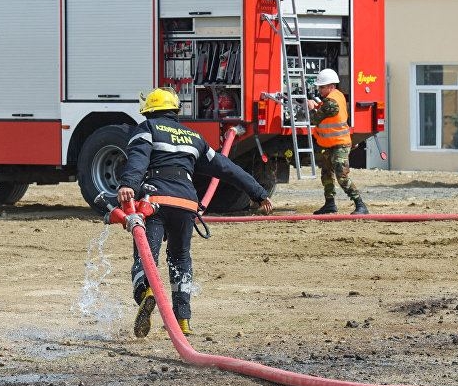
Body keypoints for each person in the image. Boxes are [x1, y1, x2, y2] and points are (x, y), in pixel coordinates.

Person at [118, 87, 274, 338]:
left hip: (154, 201)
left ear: (150, 111)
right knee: (180, 260)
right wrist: (258, 192)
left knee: (146, 255)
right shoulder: (193, 137)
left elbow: (138, 159)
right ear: (175, 111)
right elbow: (227, 168)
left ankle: (146, 292)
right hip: (186, 205)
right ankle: (182, 320)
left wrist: (128, 184)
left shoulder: (148, 129)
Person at [307, 68, 369, 215]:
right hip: (330, 144)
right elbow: (326, 113)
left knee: (341, 175)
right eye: (319, 87)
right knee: (326, 174)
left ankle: (360, 205)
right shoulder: (335, 97)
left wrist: (310, 108)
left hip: (339, 144)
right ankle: (330, 204)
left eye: (322, 87)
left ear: (332, 86)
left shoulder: (331, 101)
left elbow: (315, 119)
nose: (319, 90)